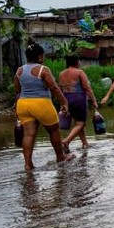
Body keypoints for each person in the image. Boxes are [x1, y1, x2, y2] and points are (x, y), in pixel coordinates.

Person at [14, 43, 74, 171]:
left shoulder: (19, 70)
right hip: (41, 103)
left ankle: (28, 165)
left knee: (28, 135)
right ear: (40, 57)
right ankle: (60, 157)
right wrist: (64, 102)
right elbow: (54, 88)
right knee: (53, 130)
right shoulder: (43, 70)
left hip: (23, 104)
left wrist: (16, 109)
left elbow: (17, 90)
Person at [58, 55, 99, 152]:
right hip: (78, 98)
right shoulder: (79, 72)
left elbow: (60, 89)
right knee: (81, 123)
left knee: (78, 123)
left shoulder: (61, 74)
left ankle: (85, 144)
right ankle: (66, 142)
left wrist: (62, 103)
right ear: (77, 62)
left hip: (66, 98)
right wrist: (94, 100)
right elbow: (86, 87)